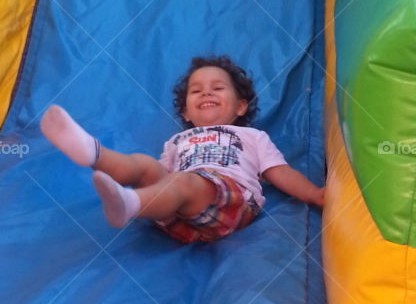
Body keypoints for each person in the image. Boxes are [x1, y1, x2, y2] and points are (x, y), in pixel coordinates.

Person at [40, 55, 324, 244]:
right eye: (196, 90)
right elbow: (160, 176)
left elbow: (280, 172)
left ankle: (131, 203)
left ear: (240, 106)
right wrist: (155, 178)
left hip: (229, 203)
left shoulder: (251, 136)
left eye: (218, 88)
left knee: (184, 181)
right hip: (174, 215)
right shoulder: (178, 141)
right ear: (186, 112)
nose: (206, 93)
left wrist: (313, 194)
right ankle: (93, 153)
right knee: (146, 164)